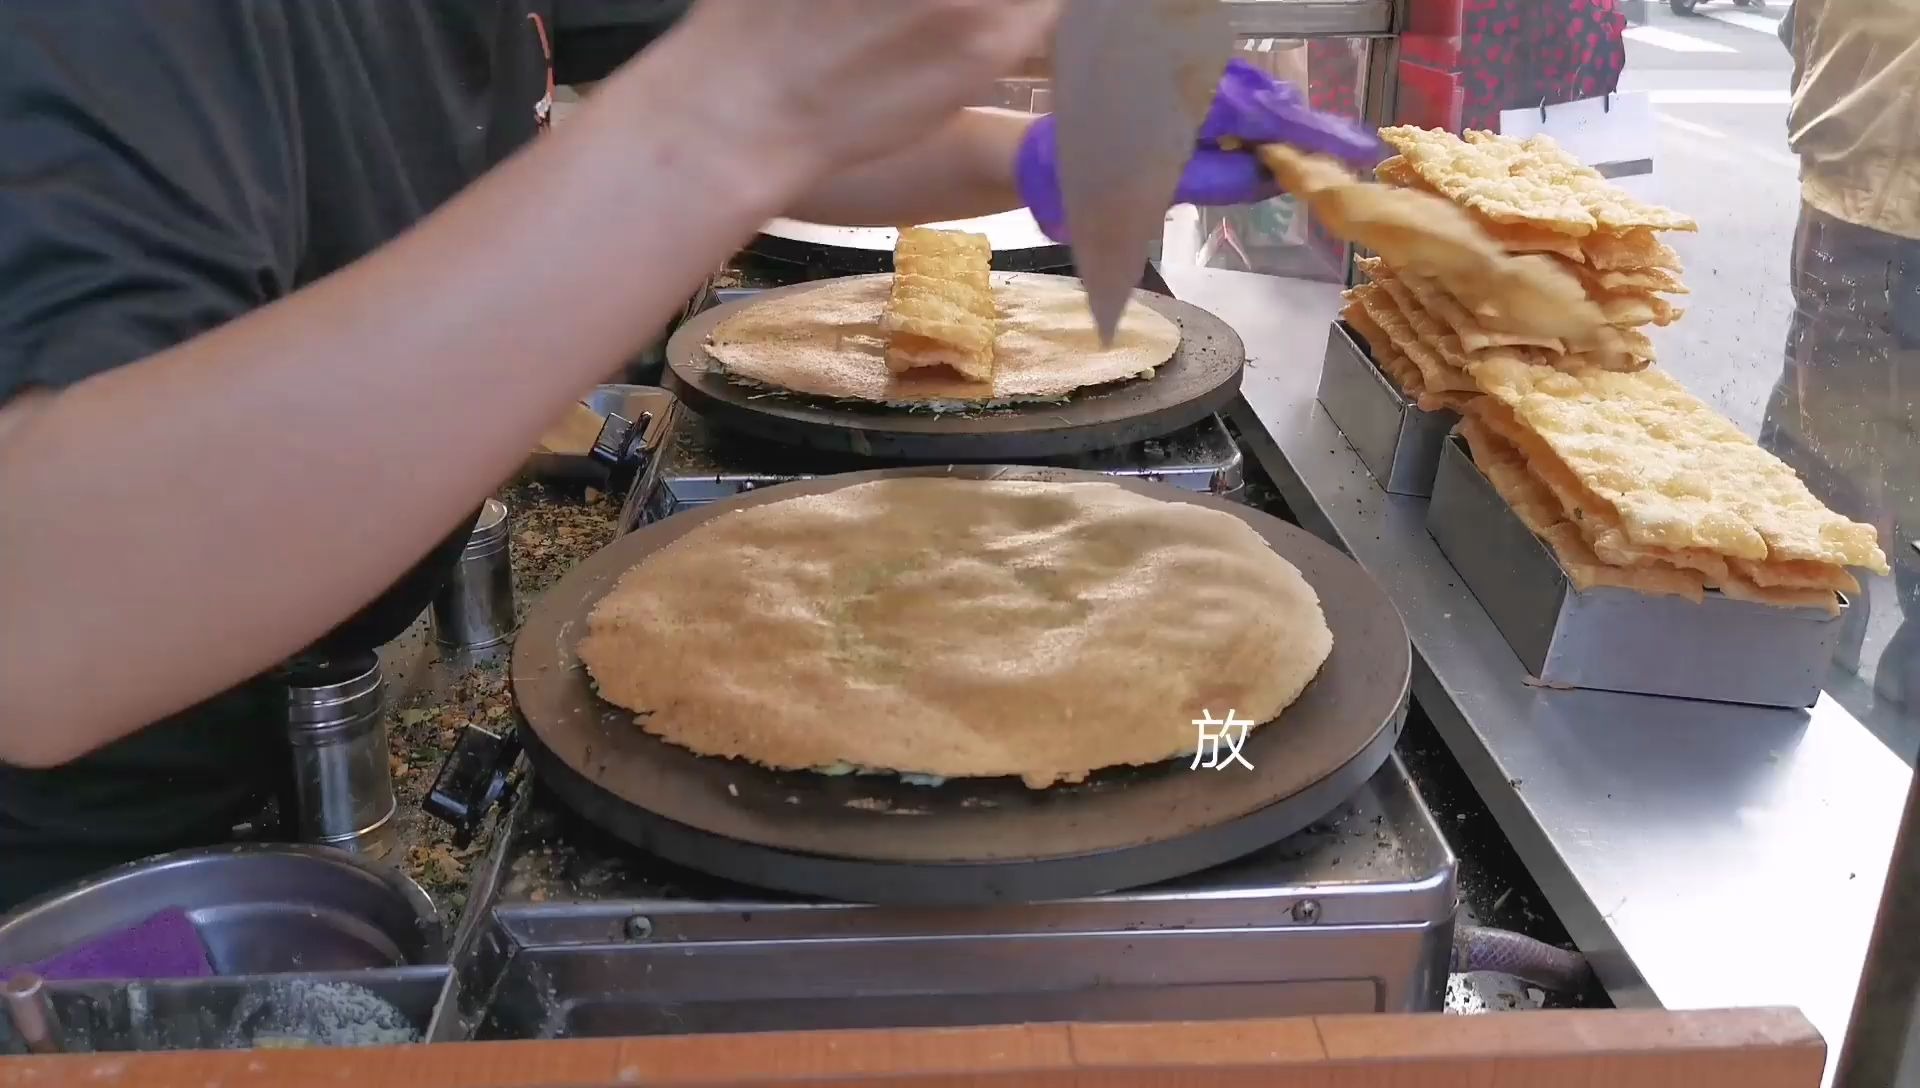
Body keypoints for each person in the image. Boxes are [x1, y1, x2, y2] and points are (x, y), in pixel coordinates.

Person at [0, 2, 1379, 909]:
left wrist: (1044, 153)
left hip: (298, 711)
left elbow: (763, 122)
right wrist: (729, 111)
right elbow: (44, 623)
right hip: (80, 870)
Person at [1758, 0, 1920, 709]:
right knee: (1821, 520)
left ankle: (1783, 697)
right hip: (1876, 217)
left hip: (1856, 214)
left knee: (1819, 509)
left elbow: (1802, 28)